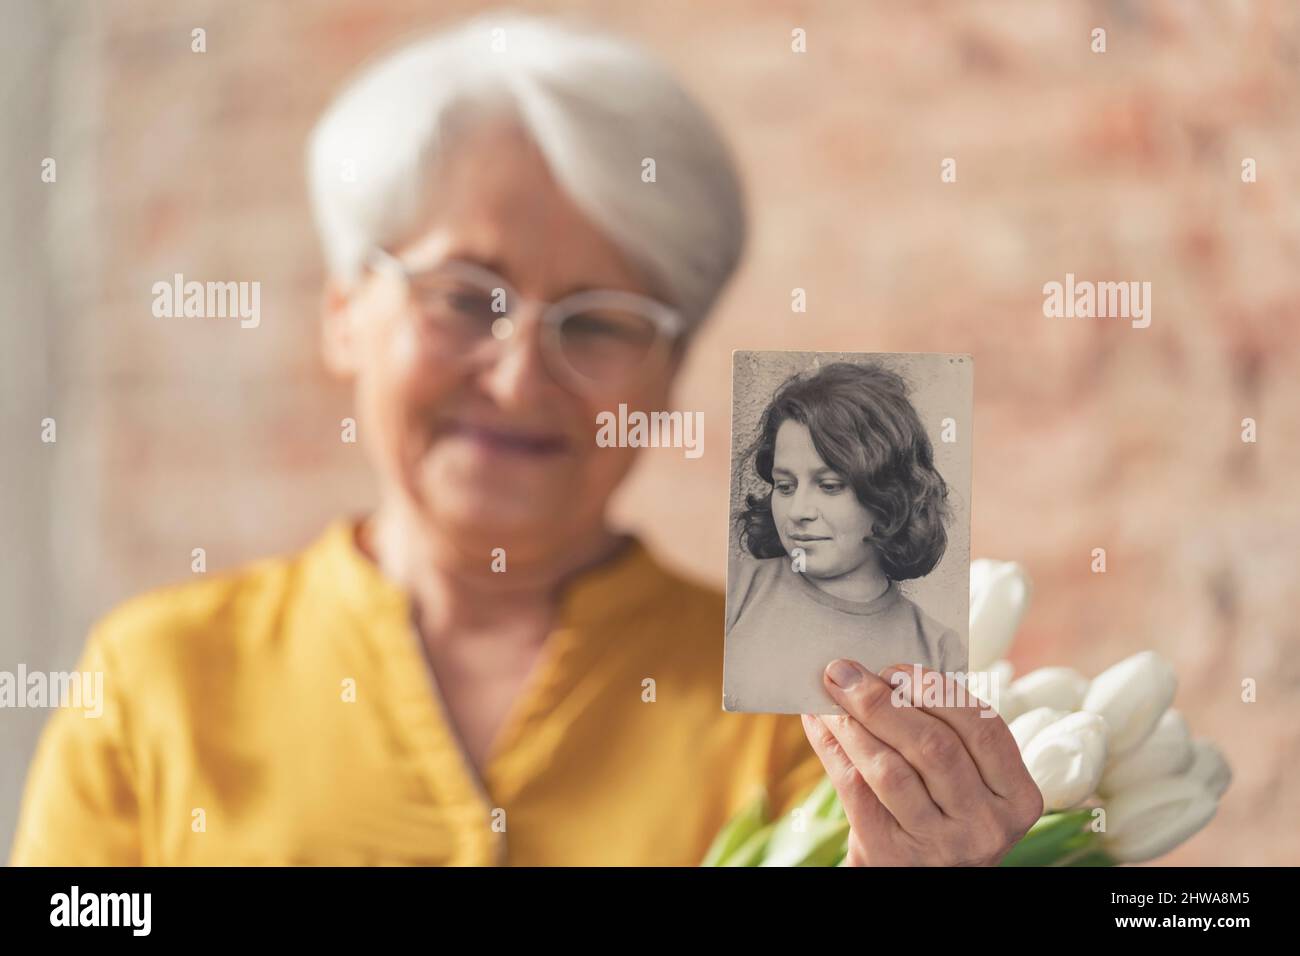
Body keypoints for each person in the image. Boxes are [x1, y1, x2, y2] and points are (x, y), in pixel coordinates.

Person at [10, 13, 1041, 866]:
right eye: (467, 297)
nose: (517, 376)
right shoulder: (154, 685)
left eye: (599, 321)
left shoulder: (802, 714)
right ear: (341, 313)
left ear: (670, 374)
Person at [725, 362, 964, 715]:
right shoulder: (734, 591)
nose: (798, 511)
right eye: (786, 486)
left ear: (888, 496)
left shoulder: (940, 651)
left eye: (830, 486)